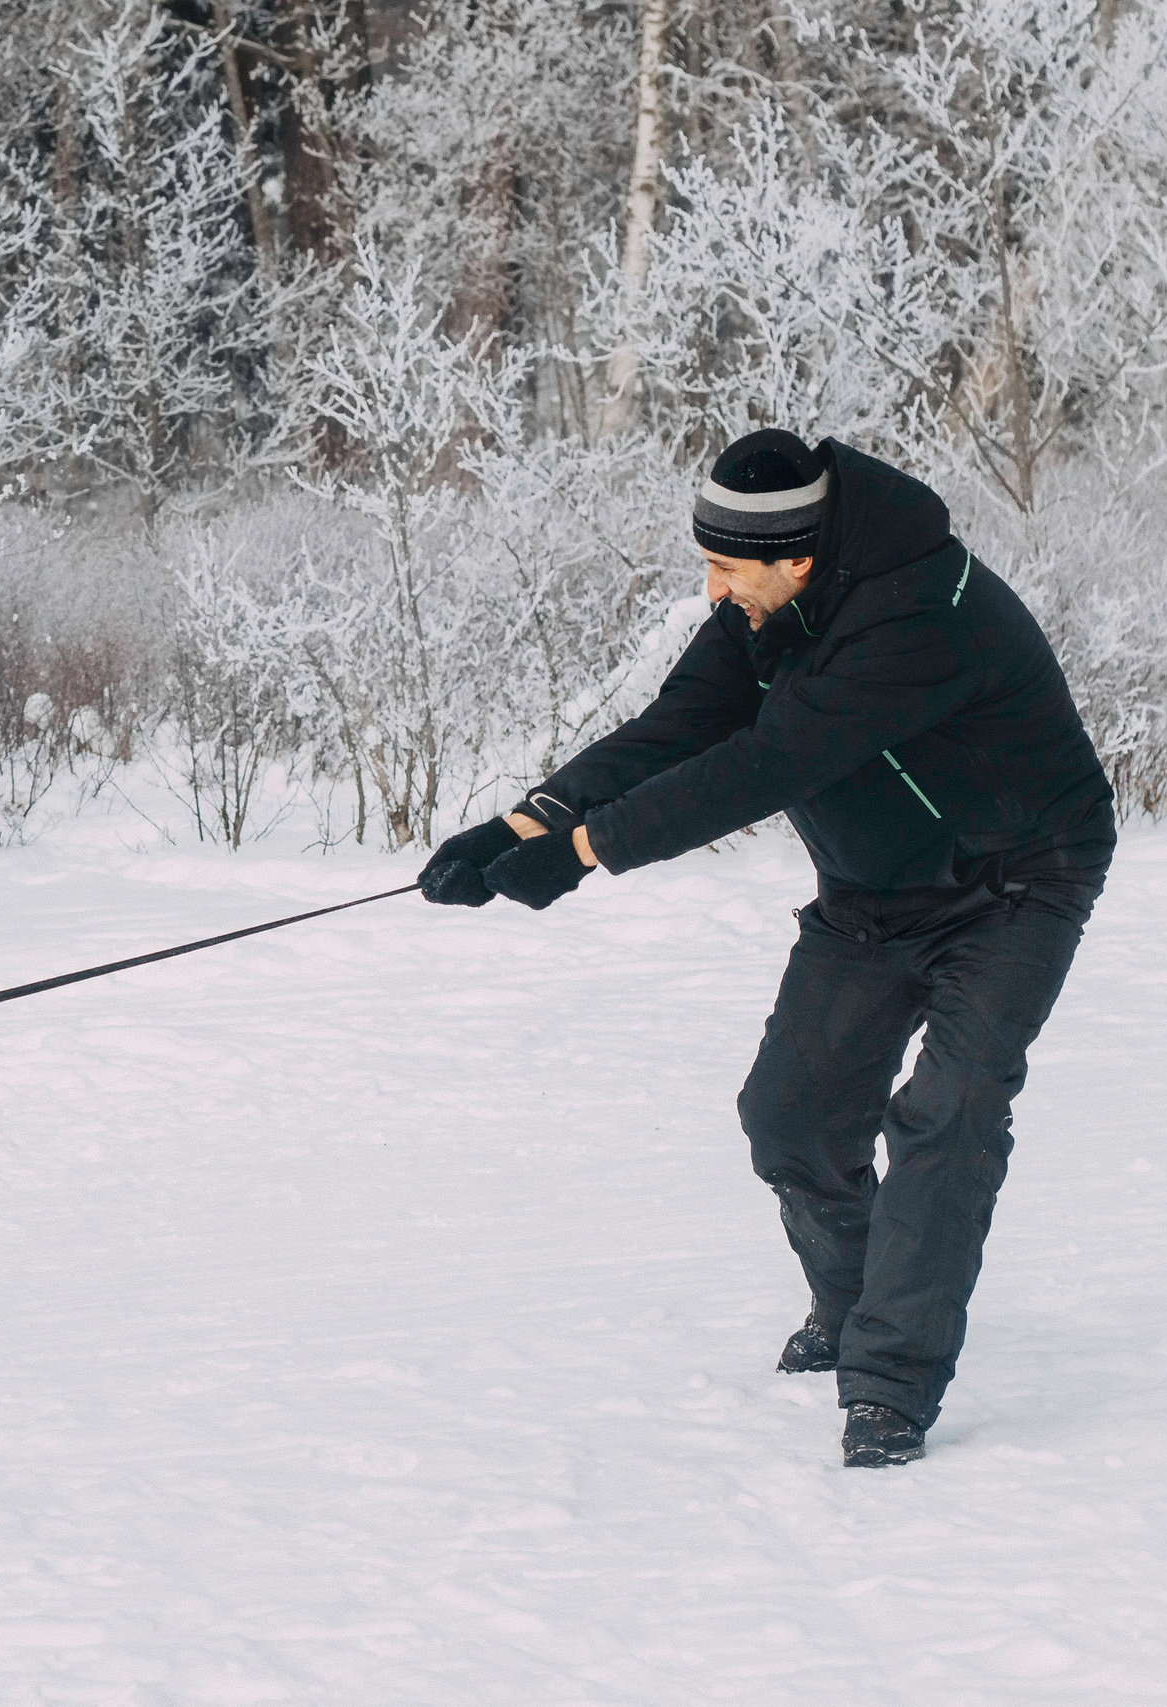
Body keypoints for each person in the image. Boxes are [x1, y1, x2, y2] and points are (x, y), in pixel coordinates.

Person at [419, 429, 1116, 1468]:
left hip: (1015, 879)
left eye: (724, 568)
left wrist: (585, 853)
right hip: (874, 889)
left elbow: (769, 763)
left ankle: (889, 1382)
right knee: (788, 1118)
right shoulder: (770, 607)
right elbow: (682, 725)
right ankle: (852, 1302)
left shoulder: (920, 612)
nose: (711, 590)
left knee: (949, 1112)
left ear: (795, 557)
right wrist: (526, 824)